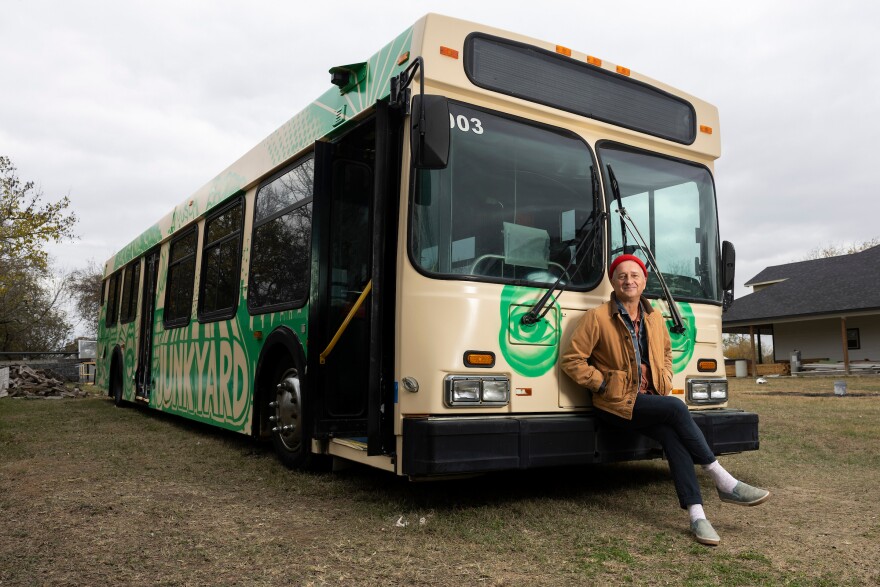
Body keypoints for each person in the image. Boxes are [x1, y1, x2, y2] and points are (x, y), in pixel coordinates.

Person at [560, 254, 769, 546]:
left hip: (647, 401)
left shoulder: (655, 318)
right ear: (613, 281)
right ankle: (722, 478)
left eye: (634, 275)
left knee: (673, 438)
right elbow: (572, 361)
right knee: (675, 406)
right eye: (622, 275)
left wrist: (664, 376)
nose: (628, 280)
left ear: (644, 281)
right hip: (614, 405)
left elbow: (667, 355)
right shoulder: (596, 318)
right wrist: (605, 383)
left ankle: (697, 516)